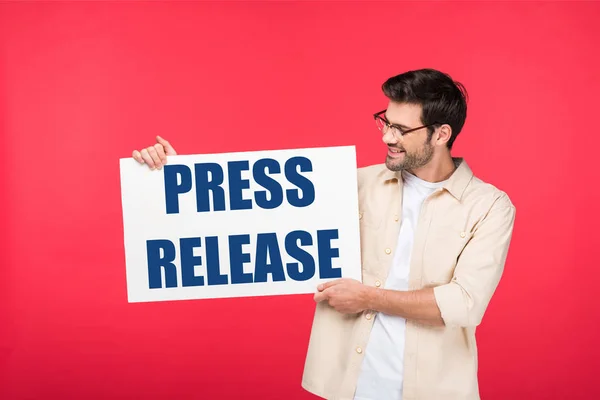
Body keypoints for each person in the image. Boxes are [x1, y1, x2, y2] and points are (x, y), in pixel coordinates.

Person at [131, 68, 516, 400]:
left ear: (440, 134)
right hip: (347, 385)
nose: (386, 137)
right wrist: (179, 182)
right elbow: (251, 223)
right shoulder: (351, 184)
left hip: (435, 390)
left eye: (401, 129)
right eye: (385, 121)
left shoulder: (489, 206)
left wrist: (368, 297)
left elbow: (464, 304)